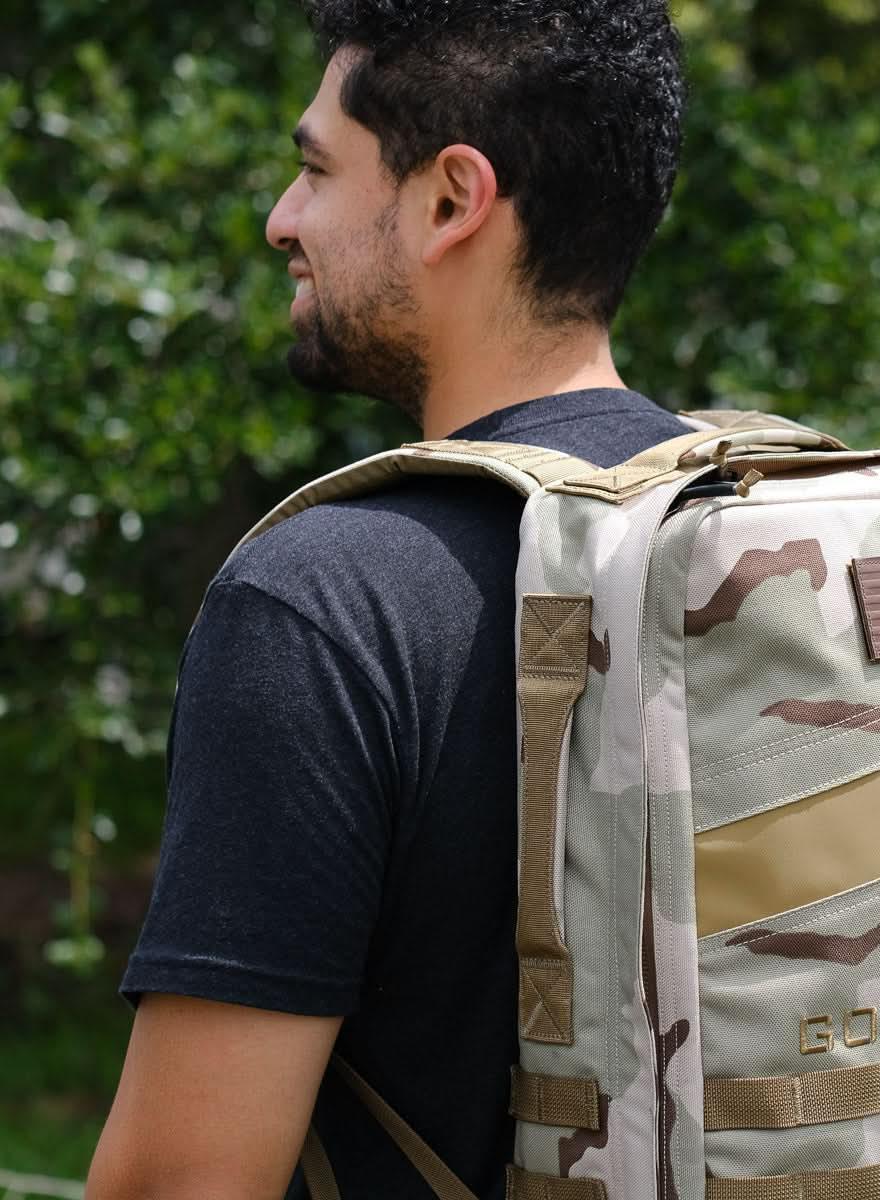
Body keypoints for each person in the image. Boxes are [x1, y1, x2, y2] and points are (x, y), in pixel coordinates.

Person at [86, 3, 686, 1198]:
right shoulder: (728, 535)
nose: (282, 219)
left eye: (316, 171)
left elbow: (182, 1183)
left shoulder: (322, 605)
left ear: (452, 200)